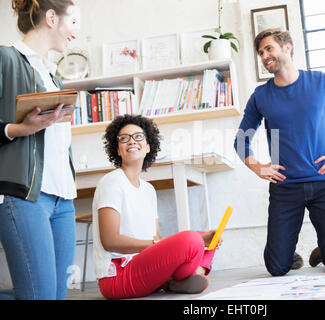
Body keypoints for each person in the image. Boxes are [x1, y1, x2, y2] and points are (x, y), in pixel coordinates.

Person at [234, 29, 325, 276]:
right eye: (260, 52)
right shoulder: (261, 95)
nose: (264, 56)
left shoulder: (322, 82)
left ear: (287, 48)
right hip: (285, 187)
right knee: (276, 268)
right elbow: (241, 139)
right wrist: (257, 166)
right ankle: (287, 253)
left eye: (269, 48)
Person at [0, 0, 80, 300]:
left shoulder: (54, 77)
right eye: (73, 23)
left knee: (56, 296)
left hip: (63, 199)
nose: (75, 33)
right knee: (39, 296)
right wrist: (19, 129)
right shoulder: (6, 59)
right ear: (51, 18)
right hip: (24, 196)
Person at [93, 115, 218, 299]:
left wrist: (202, 238)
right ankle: (182, 275)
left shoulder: (148, 190)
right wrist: (159, 244)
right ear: (117, 149)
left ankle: (173, 279)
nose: (131, 141)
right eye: (124, 138)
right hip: (118, 276)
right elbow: (110, 241)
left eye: (138, 137)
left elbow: (156, 238)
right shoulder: (112, 182)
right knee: (191, 241)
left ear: (148, 147)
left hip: (144, 268)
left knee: (207, 239)